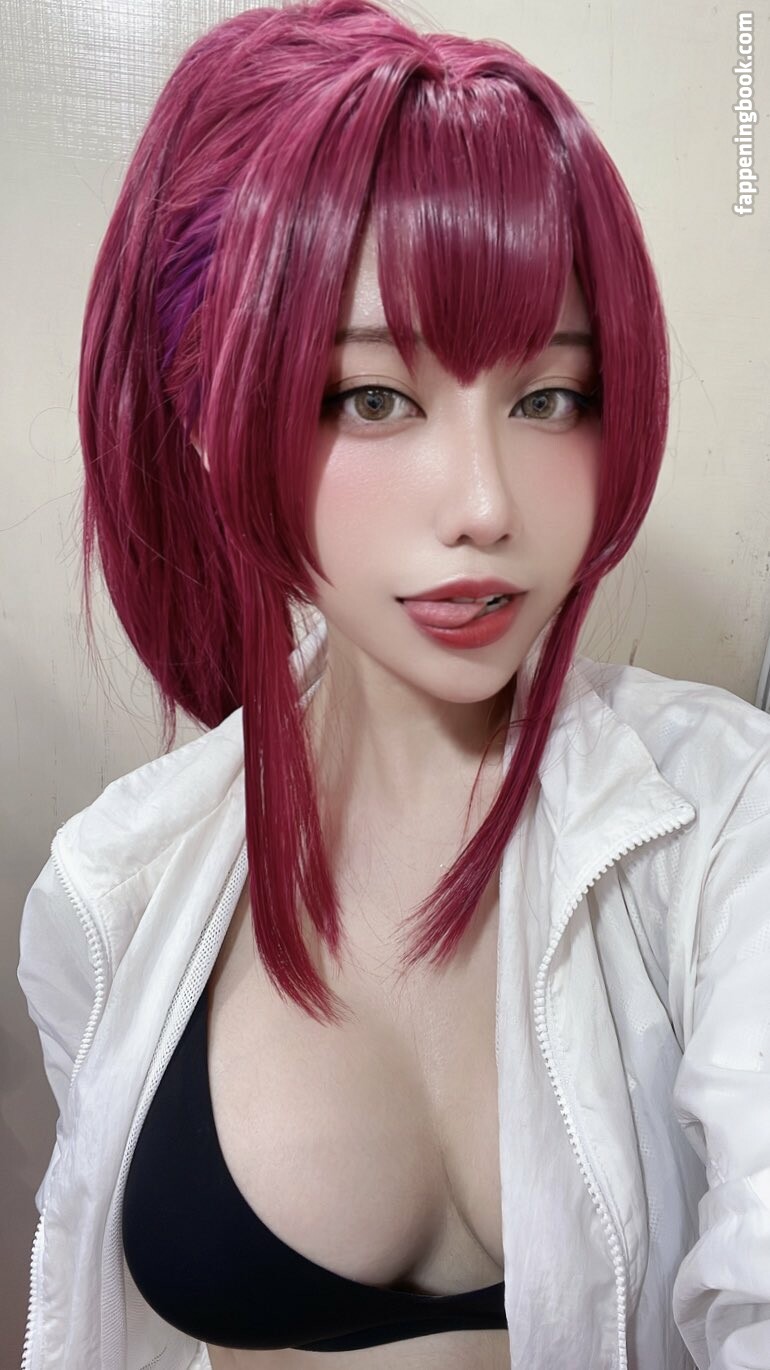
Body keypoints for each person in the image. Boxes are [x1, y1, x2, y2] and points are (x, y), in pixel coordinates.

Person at [16, 0, 770, 1367]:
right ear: (209, 419)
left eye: (549, 398)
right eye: (372, 398)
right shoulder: (113, 890)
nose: (485, 504)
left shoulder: (724, 827)